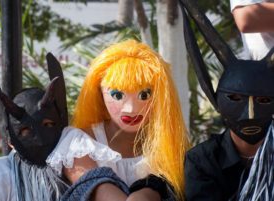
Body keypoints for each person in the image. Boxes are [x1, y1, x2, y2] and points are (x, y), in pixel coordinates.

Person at [47, 39, 190, 201]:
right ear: (99, 93)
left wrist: (151, 190)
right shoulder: (79, 144)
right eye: (117, 95)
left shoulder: (170, 144)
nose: (130, 108)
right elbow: (96, 187)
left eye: (144, 95)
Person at [179, 0, 274, 200]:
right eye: (236, 99)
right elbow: (246, 18)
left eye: (263, 100)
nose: (250, 114)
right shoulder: (202, 160)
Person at [0, 53, 69, 201]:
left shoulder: (79, 168)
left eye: (48, 125)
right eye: (25, 131)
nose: (41, 139)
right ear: (10, 140)